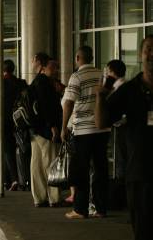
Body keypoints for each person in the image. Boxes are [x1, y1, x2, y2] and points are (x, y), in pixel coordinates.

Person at [96, 35, 153, 240]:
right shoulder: (130, 90)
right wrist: (101, 96)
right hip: (139, 174)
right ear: (141, 54)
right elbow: (102, 122)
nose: (152, 53)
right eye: (148, 49)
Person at [61, 46, 110, 219]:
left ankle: (80, 209)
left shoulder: (77, 76)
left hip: (83, 130)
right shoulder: (101, 75)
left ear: (77, 57)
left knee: (81, 170)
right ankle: (101, 208)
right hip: (102, 128)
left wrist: (63, 128)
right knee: (100, 168)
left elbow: (68, 103)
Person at [28, 52, 63, 208]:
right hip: (46, 130)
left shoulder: (35, 82)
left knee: (36, 164)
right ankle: (54, 198)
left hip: (35, 130)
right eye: (53, 67)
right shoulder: (44, 83)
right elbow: (46, 107)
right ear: (43, 67)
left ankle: (39, 197)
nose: (56, 70)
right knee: (51, 163)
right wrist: (53, 126)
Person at [3, 59, 26, 191]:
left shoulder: (0, 83)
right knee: (22, 149)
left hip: (5, 120)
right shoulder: (21, 83)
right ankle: (24, 178)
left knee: (8, 150)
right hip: (20, 120)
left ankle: (13, 179)